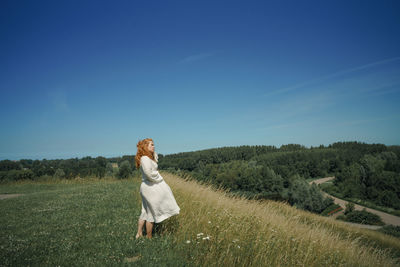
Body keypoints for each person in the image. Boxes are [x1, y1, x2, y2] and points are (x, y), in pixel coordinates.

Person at [134, 138, 180, 239]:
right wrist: (159, 177)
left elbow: (154, 161)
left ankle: (139, 233)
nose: (154, 146)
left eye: (153, 144)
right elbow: (149, 174)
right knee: (150, 214)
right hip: (149, 187)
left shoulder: (147, 157)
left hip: (148, 186)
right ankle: (149, 237)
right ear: (146, 147)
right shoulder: (145, 158)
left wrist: (153, 153)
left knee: (145, 211)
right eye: (151, 145)